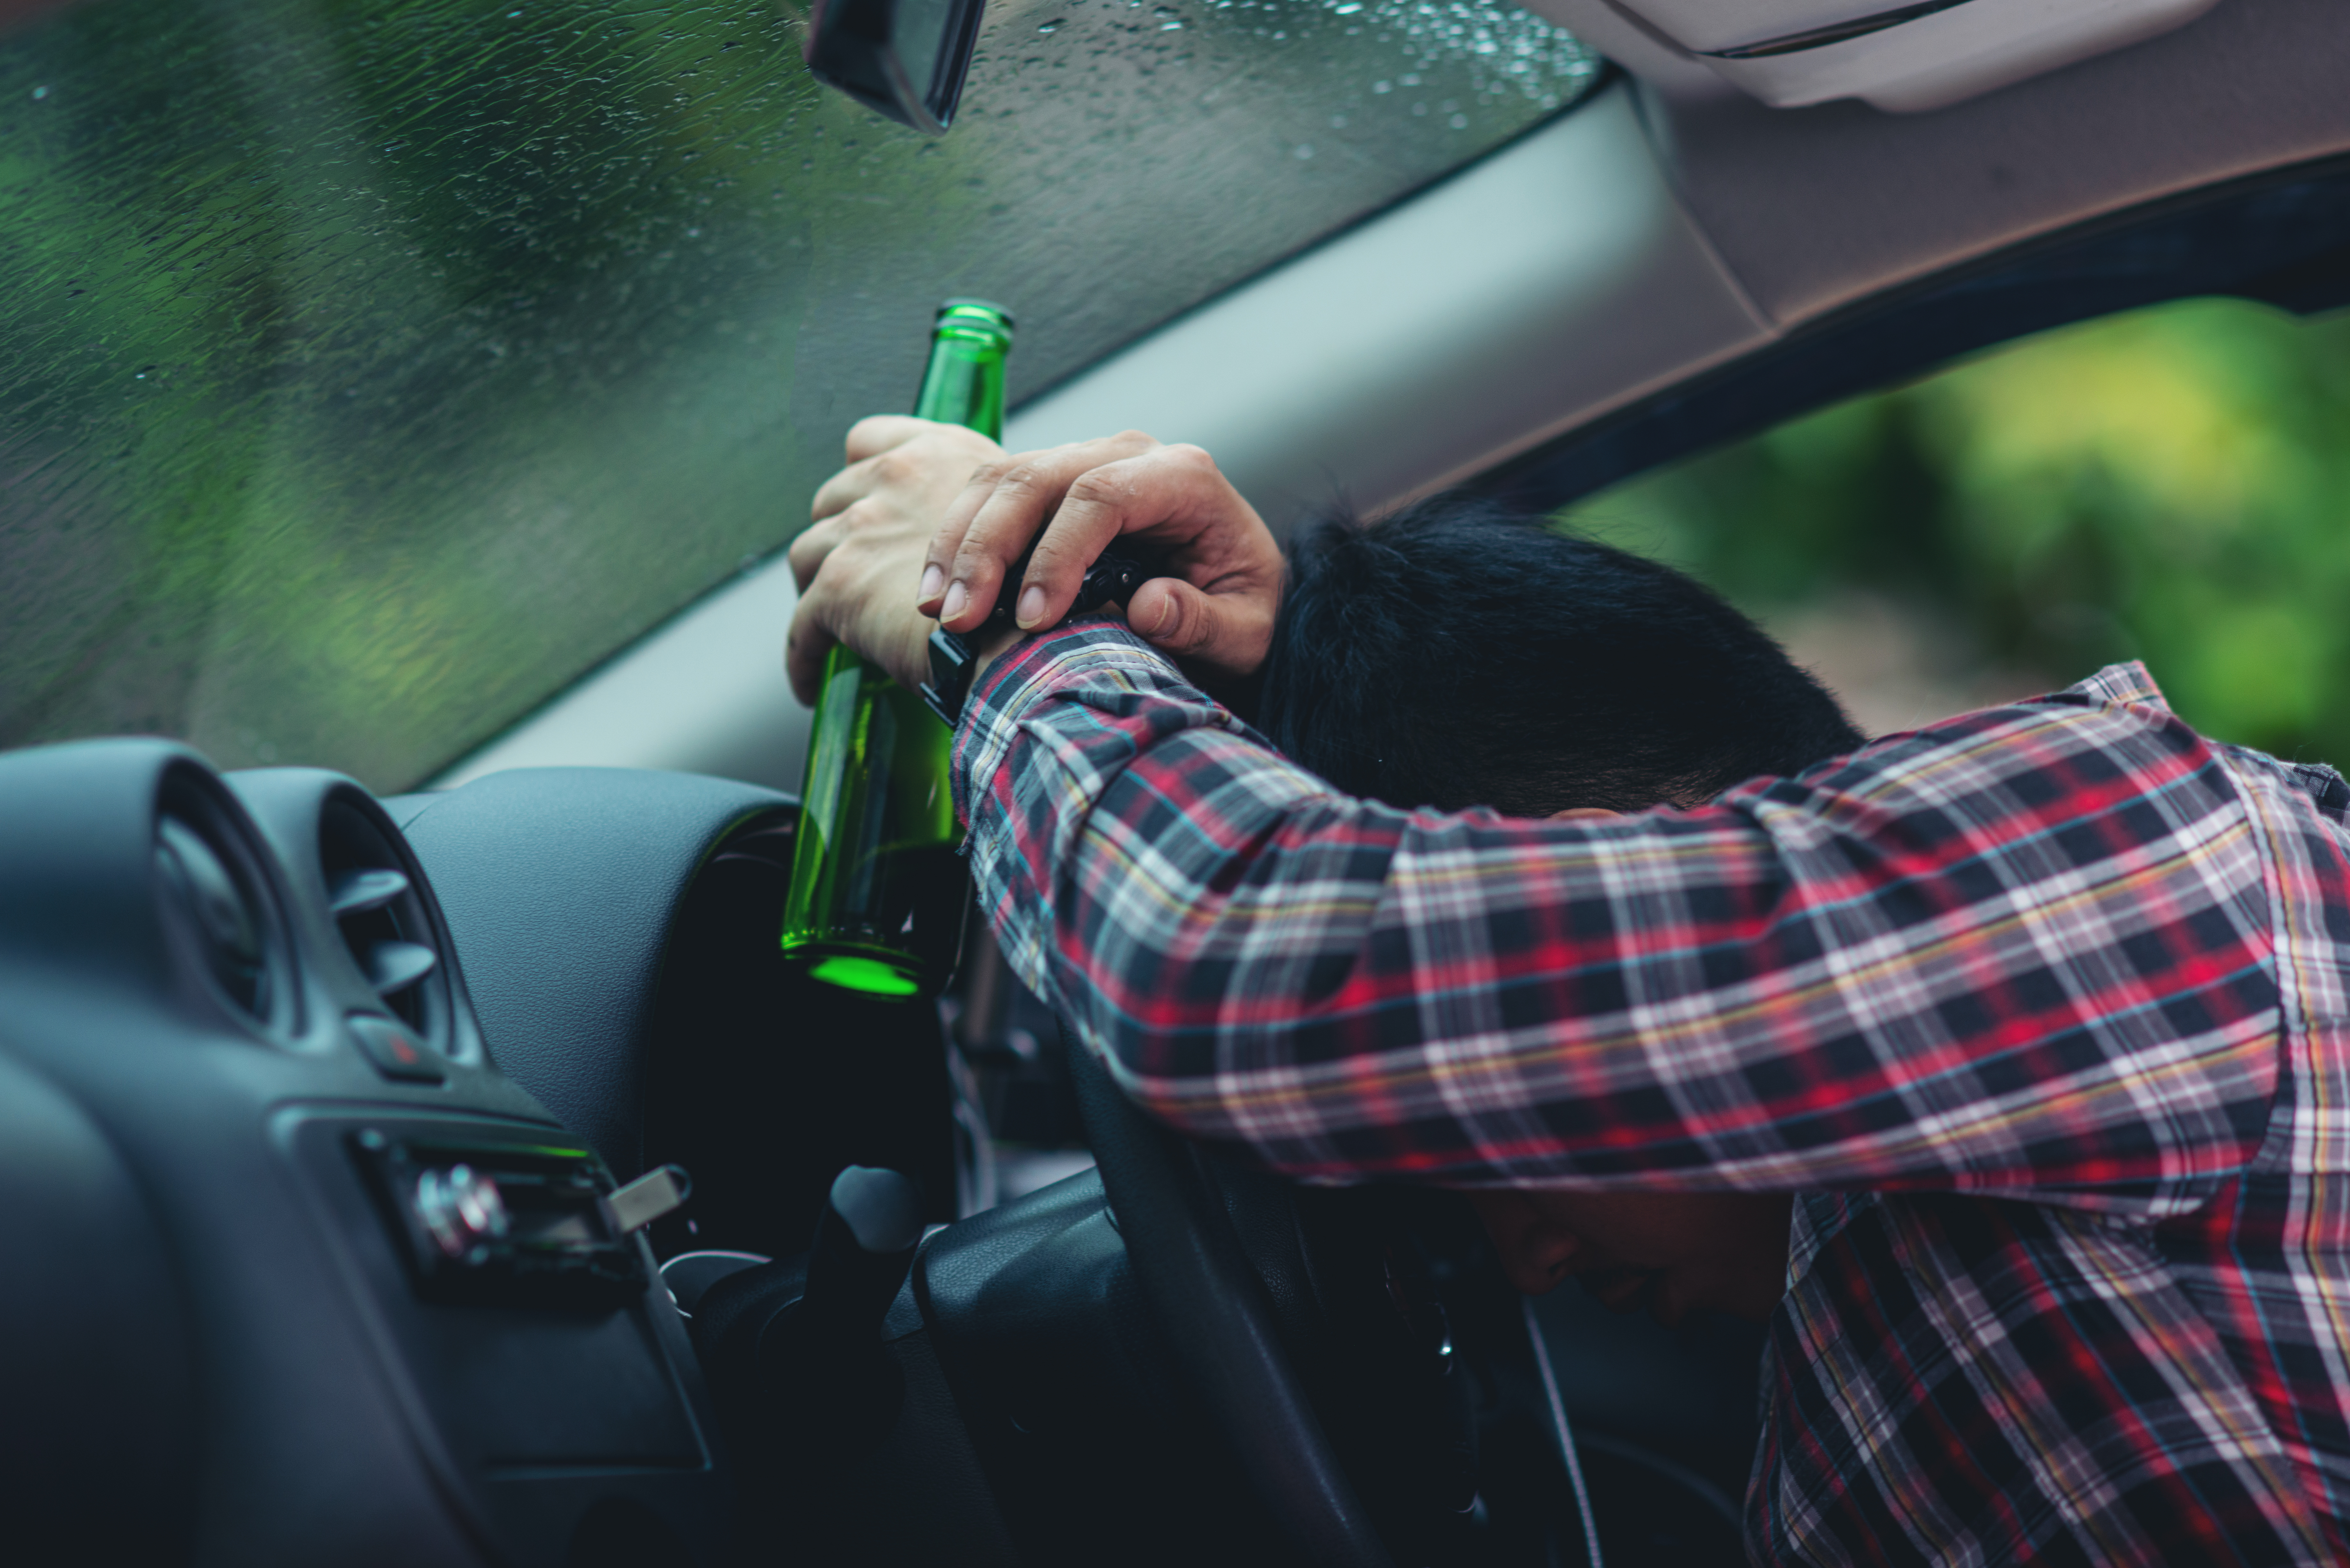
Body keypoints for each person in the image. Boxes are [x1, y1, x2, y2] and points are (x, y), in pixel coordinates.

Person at [788, 419, 2350, 1566]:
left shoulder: (2133, 850)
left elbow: (1231, 958)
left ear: (1620, 876)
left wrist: (990, 624)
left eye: (1476, 1128)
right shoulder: (1822, 1408)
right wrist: (1298, 690)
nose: (1516, 1255)